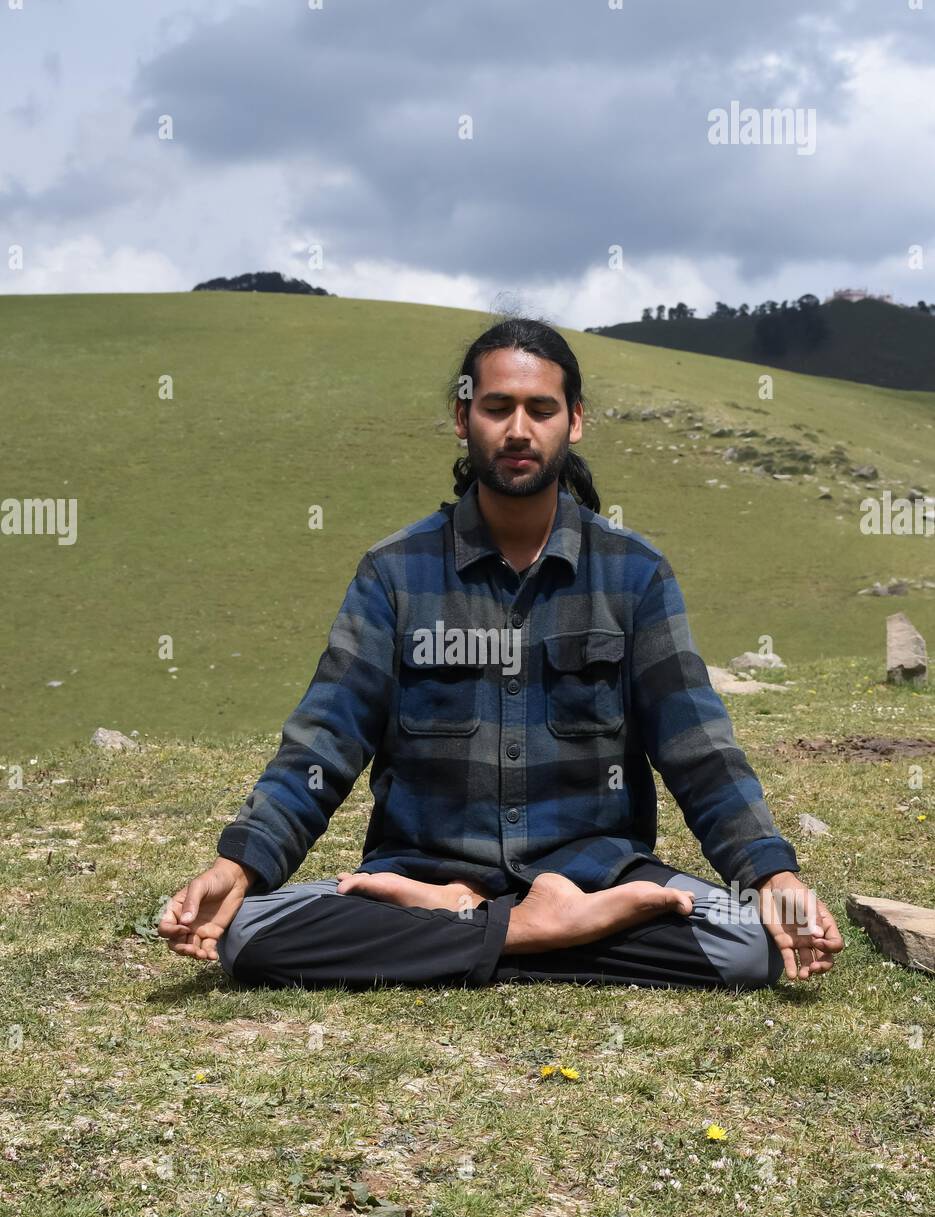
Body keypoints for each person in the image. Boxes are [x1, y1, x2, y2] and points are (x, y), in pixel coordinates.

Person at [159, 317, 843, 991]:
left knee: (748, 944)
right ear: (464, 419)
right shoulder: (393, 573)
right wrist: (241, 863)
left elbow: (699, 751)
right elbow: (324, 742)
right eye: (497, 407)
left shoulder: (633, 573)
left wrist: (768, 874)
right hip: (423, 875)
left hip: (596, 875)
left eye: (540, 408)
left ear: (573, 421)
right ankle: (544, 932)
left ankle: (470, 934)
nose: (518, 429)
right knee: (248, 932)